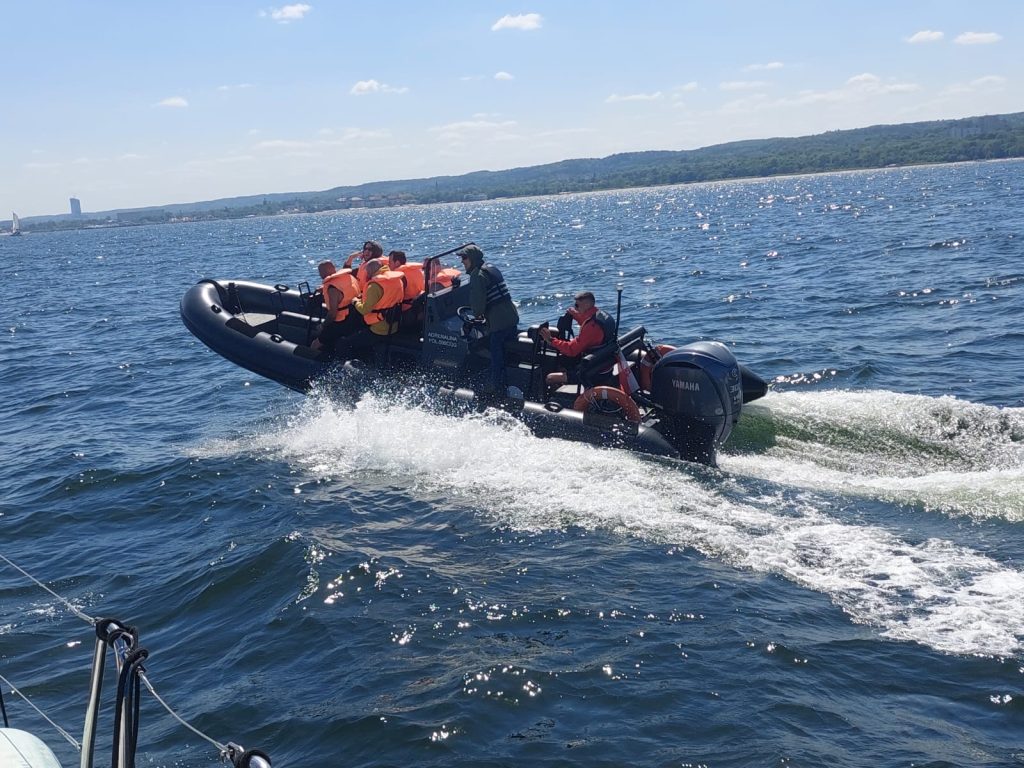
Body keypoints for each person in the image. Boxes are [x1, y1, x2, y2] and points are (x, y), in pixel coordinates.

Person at [458, 245, 519, 394]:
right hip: (511, 317)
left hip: (499, 322)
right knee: (504, 349)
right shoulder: (490, 268)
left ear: (472, 259)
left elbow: (478, 307)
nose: (462, 261)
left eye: (464, 258)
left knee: (495, 350)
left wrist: (477, 315)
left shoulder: (477, 276)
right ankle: (505, 380)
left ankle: (495, 386)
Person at [538, 291, 617, 386]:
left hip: (593, 371)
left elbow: (572, 350)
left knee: (550, 377)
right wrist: (574, 314)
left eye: (577, 305)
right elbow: (587, 322)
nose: (575, 307)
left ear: (587, 304)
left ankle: (555, 399)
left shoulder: (591, 327)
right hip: (603, 363)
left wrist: (550, 339)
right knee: (562, 361)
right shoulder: (602, 316)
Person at [332, 259, 406, 357]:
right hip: (393, 326)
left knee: (343, 343)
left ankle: (342, 368)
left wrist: (355, 302)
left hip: (379, 330)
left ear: (370, 271)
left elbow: (364, 310)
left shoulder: (375, 286)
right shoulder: (396, 280)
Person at [310, 263, 361, 353]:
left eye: (320, 272)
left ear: (323, 272)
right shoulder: (349, 277)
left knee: (316, 343)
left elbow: (333, 314)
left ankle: (310, 359)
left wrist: (322, 325)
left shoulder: (332, 289)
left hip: (341, 322)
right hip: (354, 316)